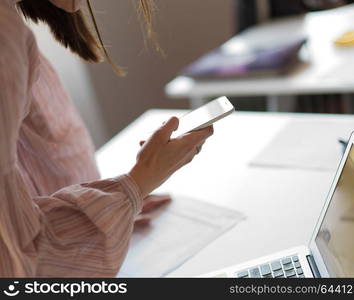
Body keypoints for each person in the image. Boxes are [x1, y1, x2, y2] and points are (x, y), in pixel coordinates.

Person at [0, 0, 213, 277]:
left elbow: (33, 171)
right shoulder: (5, 40)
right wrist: (137, 184)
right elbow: (21, 264)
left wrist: (105, 209)